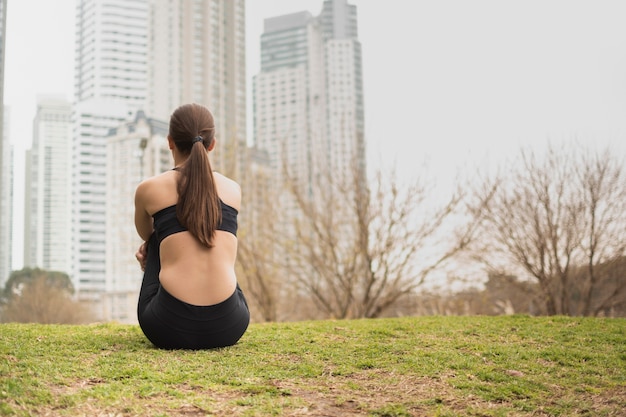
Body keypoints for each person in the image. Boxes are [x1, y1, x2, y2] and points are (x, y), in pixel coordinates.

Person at [134, 103, 249, 350]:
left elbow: (147, 235)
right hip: (229, 326)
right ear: (212, 144)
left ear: (170, 142)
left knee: (156, 240)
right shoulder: (233, 189)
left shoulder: (149, 189)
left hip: (167, 327)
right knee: (219, 238)